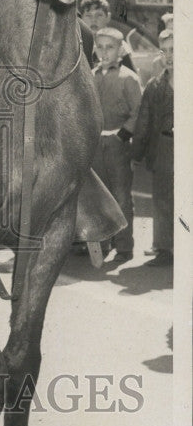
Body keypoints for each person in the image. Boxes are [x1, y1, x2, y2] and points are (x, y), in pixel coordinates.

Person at [90, 26, 143, 263]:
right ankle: (103, 243)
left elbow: (138, 112)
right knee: (99, 196)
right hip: (95, 145)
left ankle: (124, 245)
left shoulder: (128, 78)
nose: (104, 52)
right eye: (99, 47)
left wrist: (122, 135)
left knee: (121, 195)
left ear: (120, 49)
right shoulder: (90, 76)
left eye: (109, 47)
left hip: (117, 144)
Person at [132, 29, 174, 266]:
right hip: (164, 147)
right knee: (162, 198)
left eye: (174, 50)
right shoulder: (155, 85)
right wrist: (137, 153)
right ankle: (165, 247)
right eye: (164, 50)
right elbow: (144, 121)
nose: (169, 56)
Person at [78, 0, 136, 71]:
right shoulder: (77, 45)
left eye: (99, 15)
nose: (94, 20)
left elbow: (131, 77)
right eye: (88, 15)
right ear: (81, 19)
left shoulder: (118, 45)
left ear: (108, 17)